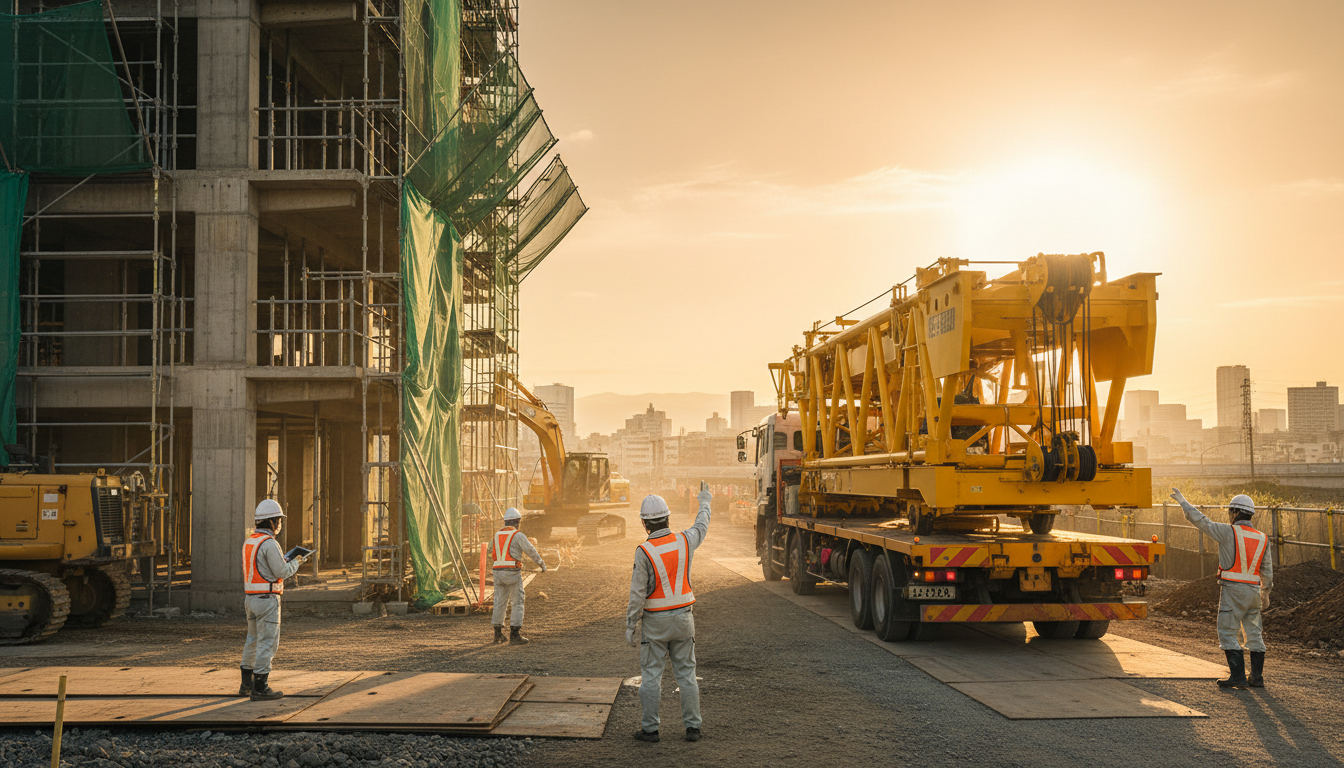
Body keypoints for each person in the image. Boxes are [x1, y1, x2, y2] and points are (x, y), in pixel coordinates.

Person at [627, 482, 711, 744]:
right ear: (667, 518)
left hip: (655, 624)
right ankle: (693, 728)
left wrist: (630, 625)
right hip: (684, 619)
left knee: (651, 676)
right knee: (686, 674)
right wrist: (705, 500)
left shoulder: (644, 552)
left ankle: (650, 730)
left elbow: (637, 594)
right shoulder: (685, 540)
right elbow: (702, 525)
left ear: (645, 524)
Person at [1170, 488, 1273, 689]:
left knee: (1227, 632)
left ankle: (1238, 677)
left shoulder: (1228, 532)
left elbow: (1202, 521)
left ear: (1234, 513)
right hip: (1254, 593)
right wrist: (1266, 592)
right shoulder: (1262, 538)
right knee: (1254, 634)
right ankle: (1257, 678)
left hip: (1234, 592)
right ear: (1250, 514)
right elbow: (1266, 568)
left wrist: (1183, 502)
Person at [241, 499, 310, 701]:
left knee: (252, 640)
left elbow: (260, 568)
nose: (280, 524)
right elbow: (281, 571)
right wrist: (297, 562)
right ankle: (260, 687)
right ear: (272, 522)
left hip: (251, 599)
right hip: (267, 599)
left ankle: (246, 684)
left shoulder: (250, 541)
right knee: (267, 642)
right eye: (279, 520)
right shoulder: (270, 543)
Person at [489, 507, 547, 645]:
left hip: (497, 572)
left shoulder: (496, 535)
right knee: (517, 601)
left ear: (505, 521)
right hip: (511, 573)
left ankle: (497, 634)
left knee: (499, 601)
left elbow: (491, 550)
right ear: (517, 522)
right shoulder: (518, 535)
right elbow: (530, 550)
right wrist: (541, 564)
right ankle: (514, 635)